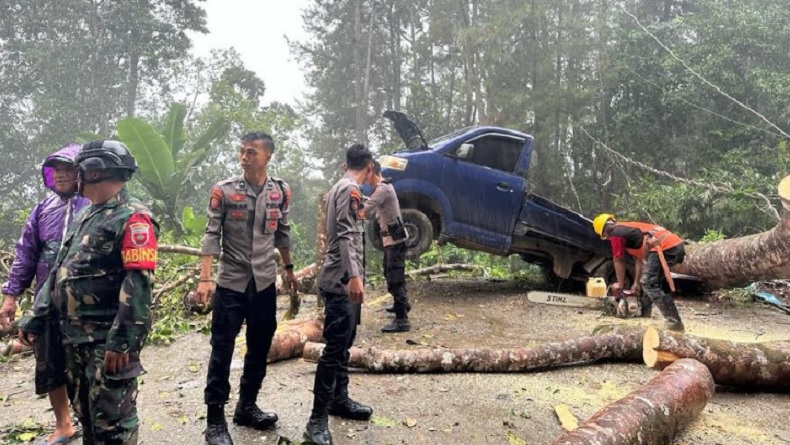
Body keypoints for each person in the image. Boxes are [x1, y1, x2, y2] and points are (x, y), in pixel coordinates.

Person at [18, 140, 158, 445]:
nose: (75, 176)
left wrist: (122, 343)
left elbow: (138, 285)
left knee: (112, 426)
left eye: (80, 169)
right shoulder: (86, 215)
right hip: (74, 339)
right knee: (87, 417)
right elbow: (58, 272)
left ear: (96, 172)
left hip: (105, 341)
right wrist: (35, 317)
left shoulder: (133, 218)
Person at [194, 132, 297, 445]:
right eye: (241, 151)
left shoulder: (280, 191)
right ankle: (215, 420)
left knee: (259, 346)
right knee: (222, 348)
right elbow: (211, 235)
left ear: (267, 157)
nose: (243, 157)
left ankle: (247, 406)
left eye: (251, 152)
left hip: (264, 283)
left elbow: (282, 234)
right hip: (231, 284)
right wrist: (205, 278)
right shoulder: (223, 191)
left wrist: (289, 269)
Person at [0, 143, 89, 445]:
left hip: (84, 302)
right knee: (49, 360)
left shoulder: (94, 204)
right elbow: (26, 254)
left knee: (86, 361)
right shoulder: (42, 209)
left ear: (82, 171)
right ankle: (63, 424)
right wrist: (11, 296)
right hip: (46, 300)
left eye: (68, 168)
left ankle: (89, 418)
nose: (61, 175)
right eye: (57, 169)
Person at [304, 144, 375, 445]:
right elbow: (346, 234)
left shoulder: (346, 187)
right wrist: (355, 278)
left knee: (345, 342)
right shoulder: (349, 189)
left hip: (346, 279)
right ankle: (316, 420)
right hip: (341, 281)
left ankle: (339, 399)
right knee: (334, 349)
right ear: (369, 167)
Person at [592, 213, 686, 331]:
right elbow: (639, 259)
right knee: (651, 283)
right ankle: (645, 310)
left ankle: (674, 322)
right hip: (675, 245)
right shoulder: (628, 229)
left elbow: (618, 260)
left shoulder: (616, 233)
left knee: (648, 283)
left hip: (664, 246)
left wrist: (620, 285)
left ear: (605, 231)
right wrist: (636, 283)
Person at [363, 160, 411, 333]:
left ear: (372, 171)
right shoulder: (381, 189)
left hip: (395, 242)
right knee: (390, 273)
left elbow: (365, 210)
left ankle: (402, 321)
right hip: (392, 242)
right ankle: (403, 304)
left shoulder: (383, 189)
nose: (364, 177)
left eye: (365, 173)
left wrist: (350, 204)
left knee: (394, 279)